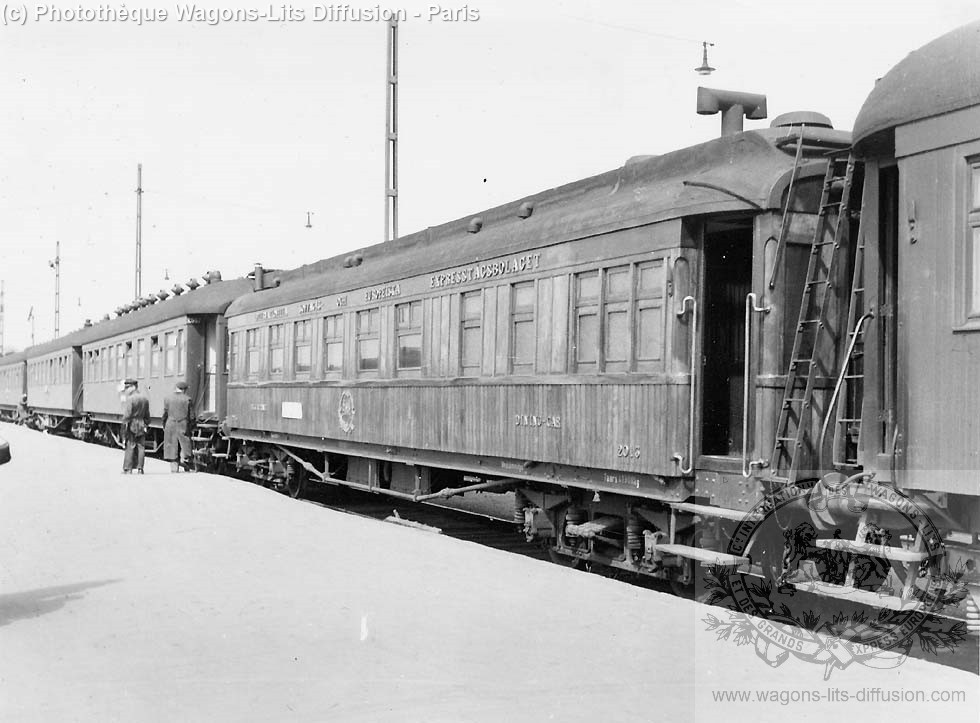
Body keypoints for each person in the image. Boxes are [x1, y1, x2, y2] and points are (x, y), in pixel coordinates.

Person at [162, 380, 193, 473]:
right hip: (183, 423)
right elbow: (192, 416)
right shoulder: (188, 399)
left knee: (172, 445)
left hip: (170, 423)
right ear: (184, 390)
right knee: (184, 444)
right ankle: (186, 463)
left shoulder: (167, 398)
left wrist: (164, 424)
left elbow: (165, 414)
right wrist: (192, 426)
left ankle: (174, 468)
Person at [121, 378, 150, 474]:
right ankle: (140, 469)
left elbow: (128, 414)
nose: (126, 390)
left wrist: (124, 423)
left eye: (127, 388)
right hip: (141, 424)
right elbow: (147, 416)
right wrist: (145, 423)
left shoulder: (130, 399)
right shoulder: (144, 398)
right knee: (141, 447)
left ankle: (128, 468)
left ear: (133, 387)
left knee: (131, 445)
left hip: (132, 424)